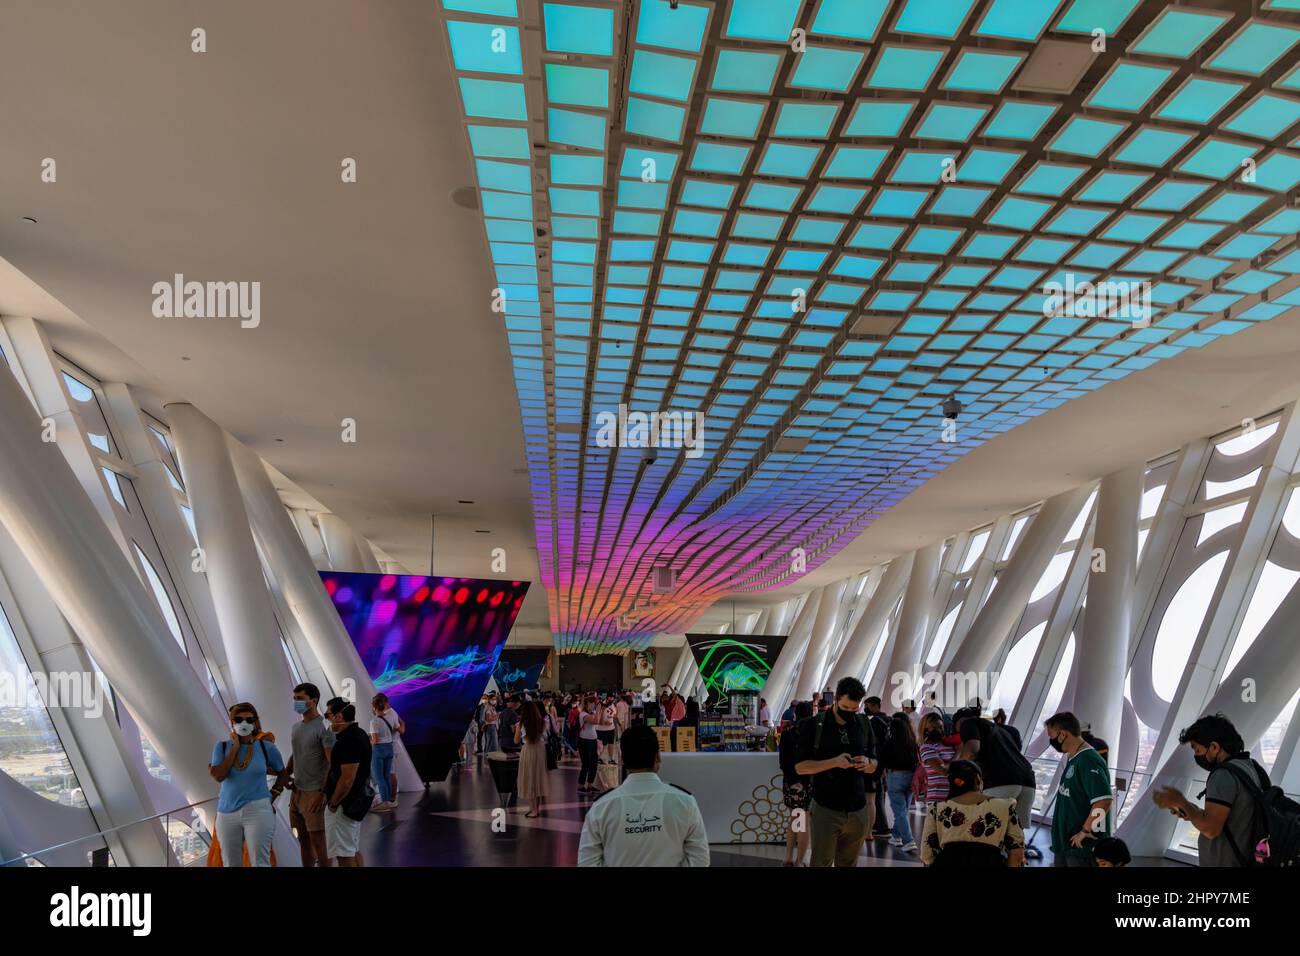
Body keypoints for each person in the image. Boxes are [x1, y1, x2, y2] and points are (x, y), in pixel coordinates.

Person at [577, 726, 709, 866]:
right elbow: (700, 859)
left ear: (622, 759)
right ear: (658, 757)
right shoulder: (685, 802)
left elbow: (587, 863)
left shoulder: (601, 807)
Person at [1151, 713, 1266, 867]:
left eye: (1197, 750)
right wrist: (1190, 810)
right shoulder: (1250, 767)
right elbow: (1228, 817)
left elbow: (1211, 829)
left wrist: (1181, 802)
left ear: (1214, 747)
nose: (1196, 756)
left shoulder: (1223, 775)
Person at [793, 676, 879, 867]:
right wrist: (834, 762)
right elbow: (800, 766)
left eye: (854, 708)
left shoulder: (863, 725)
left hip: (858, 809)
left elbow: (875, 763)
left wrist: (867, 763)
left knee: (849, 863)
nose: (850, 712)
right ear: (836, 699)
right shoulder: (814, 725)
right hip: (826, 808)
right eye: (846, 707)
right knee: (821, 862)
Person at [209, 702, 285, 867]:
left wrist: (274, 793)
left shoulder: (267, 747)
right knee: (230, 863)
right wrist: (235, 748)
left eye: (249, 720)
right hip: (226, 812)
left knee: (260, 862)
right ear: (232, 722)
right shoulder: (221, 747)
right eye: (238, 719)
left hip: (258, 809)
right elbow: (219, 776)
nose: (244, 723)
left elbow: (282, 773)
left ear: (255, 722)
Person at [920, 760, 1025, 867]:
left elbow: (927, 855)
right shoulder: (1005, 807)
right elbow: (1017, 855)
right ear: (978, 780)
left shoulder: (937, 809)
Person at [274, 683, 334, 867]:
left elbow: (332, 763)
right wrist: (286, 775)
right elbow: (296, 753)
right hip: (298, 791)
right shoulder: (296, 727)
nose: (296, 702)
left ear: (313, 700)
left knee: (319, 842)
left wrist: (322, 792)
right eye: (294, 698)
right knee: (304, 841)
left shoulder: (324, 729)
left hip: (314, 792)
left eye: (300, 698)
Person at [955, 705, 1036, 837]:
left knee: (983, 831)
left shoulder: (968, 723)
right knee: (1015, 833)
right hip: (1028, 781)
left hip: (1001, 781)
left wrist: (957, 770)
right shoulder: (1001, 730)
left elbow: (972, 750)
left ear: (959, 722)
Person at [1044, 711, 1112, 867]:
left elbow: (1103, 801)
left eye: (1051, 735)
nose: (1051, 740)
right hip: (1066, 845)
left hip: (1081, 850)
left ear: (1063, 735)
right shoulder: (1075, 757)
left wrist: (1085, 831)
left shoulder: (1088, 760)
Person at [323, 697, 372, 867]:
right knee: (352, 849)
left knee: (344, 855)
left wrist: (333, 803)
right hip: (354, 803)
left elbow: (347, 778)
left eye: (327, 715)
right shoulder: (359, 734)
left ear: (339, 717)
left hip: (344, 805)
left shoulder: (348, 740)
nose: (328, 720)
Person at [778, 701, 813, 865]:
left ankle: (788, 857)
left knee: (794, 818)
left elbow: (783, 762)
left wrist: (792, 781)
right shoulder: (813, 734)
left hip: (790, 782)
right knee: (803, 822)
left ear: (795, 714)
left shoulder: (786, 734)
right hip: (806, 784)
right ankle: (800, 860)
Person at [880, 711, 919, 851]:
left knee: (900, 811)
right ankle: (896, 836)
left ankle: (909, 841)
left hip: (895, 777)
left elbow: (882, 760)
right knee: (903, 810)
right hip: (910, 777)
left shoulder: (890, 742)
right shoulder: (913, 742)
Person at [369, 692, 404, 811]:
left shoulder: (374, 722)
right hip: (390, 748)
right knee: (386, 776)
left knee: (379, 778)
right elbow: (399, 728)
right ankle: (389, 800)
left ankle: (384, 803)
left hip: (379, 750)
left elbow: (375, 740)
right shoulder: (391, 716)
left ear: (374, 707)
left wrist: (368, 742)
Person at [515, 700, 549, 818]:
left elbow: (516, 740)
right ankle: (537, 809)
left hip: (528, 750)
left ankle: (532, 810)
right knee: (538, 779)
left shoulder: (521, 723)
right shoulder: (543, 722)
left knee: (529, 779)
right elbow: (546, 737)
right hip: (540, 750)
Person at [864, 697, 891, 838]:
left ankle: (881, 826)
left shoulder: (874, 722)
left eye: (867, 705)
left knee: (874, 798)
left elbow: (873, 743)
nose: (865, 708)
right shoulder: (888, 720)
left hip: (876, 762)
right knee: (880, 795)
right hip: (885, 763)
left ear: (875, 706)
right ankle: (881, 825)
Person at [918, 712, 957, 805]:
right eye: (934, 728)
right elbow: (943, 770)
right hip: (938, 799)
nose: (939, 730)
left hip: (954, 797)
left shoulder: (948, 745)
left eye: (941, 727)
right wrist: (959, 753)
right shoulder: (926, 747)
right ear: (925, 730)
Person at [577, 695, 600, 794]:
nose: (594, 705)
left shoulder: (593, 713)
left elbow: (601, 722)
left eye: (595, 703)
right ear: (587, 704)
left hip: (593, 740)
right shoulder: (583, 714)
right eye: (592, 703)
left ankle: (590, 784)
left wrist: (601, 710)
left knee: (594, 764)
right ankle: (581, 786)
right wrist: (598, 710)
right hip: (585, 741)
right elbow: (595, 721)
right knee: (586, 764)